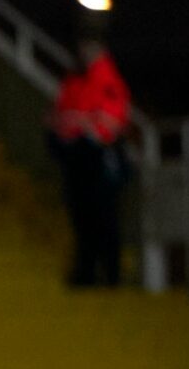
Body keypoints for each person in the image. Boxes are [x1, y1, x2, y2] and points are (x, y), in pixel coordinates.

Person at [50, 39, 131, 288]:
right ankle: (87, 273)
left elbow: (110, 122)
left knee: (103, 218)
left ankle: (110, 274)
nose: (85, 54)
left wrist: (85, 127)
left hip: (97, 157)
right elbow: (59, 116)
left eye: (90, 49)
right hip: (76, 157)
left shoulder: (107, 81)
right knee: (82, 218)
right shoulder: (75, 80)